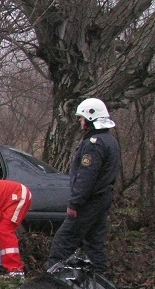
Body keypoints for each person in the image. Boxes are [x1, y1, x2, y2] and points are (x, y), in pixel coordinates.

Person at [47, 98, 121, 274]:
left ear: (90, 119)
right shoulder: (110, 140)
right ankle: (100, 282)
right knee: (95, 242)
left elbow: (86, 177)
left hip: (89, 200)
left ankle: (51, 280)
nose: (80, 121)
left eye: (82, 118)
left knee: (63, 239)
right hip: (102, 198)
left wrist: (75, 203)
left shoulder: (94, 144)